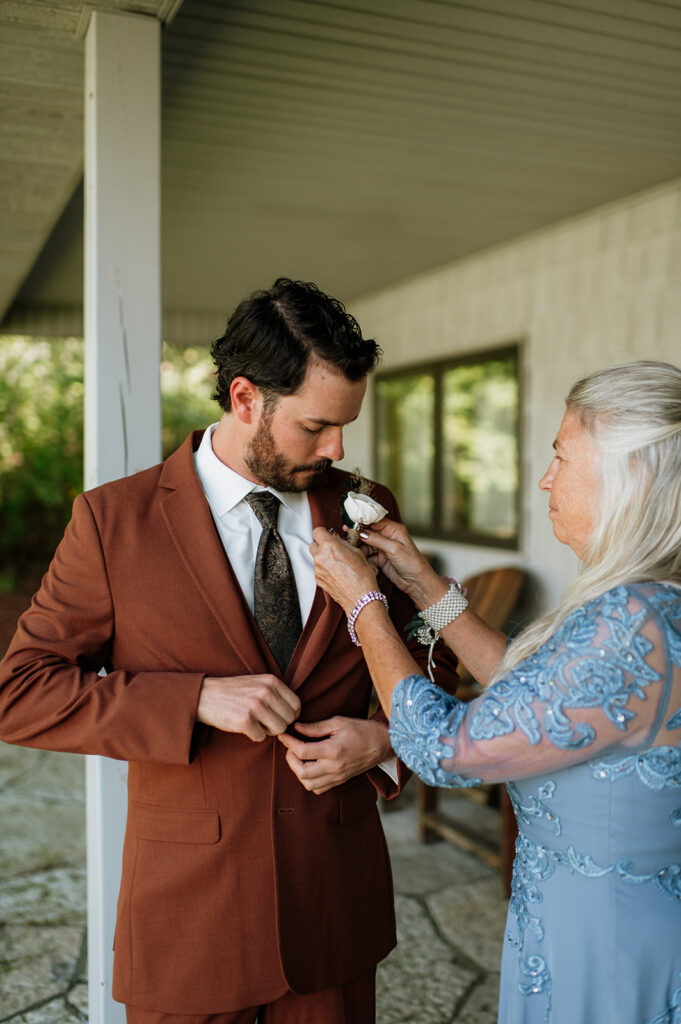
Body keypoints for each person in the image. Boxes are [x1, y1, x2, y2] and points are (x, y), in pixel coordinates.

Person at [0, 278, 458, 1024]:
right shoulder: (112, 522)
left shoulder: (364, 508)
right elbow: (19, 692)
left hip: (332, 911)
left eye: (345, 425)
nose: (338, 449)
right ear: (245, 399)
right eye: (316, 426)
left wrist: (384, 742)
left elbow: (426, 662)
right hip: (189, 923)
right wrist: (192, 699)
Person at [310, 360, 681, 1024]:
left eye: (561, 457)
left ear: (633, 479)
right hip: (615, 922)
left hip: (603, 946)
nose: (545, 479)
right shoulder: (654, 604)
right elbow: (534, 696)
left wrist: (362, 603)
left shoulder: (629, 621)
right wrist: (420, 582)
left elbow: (442, 747)